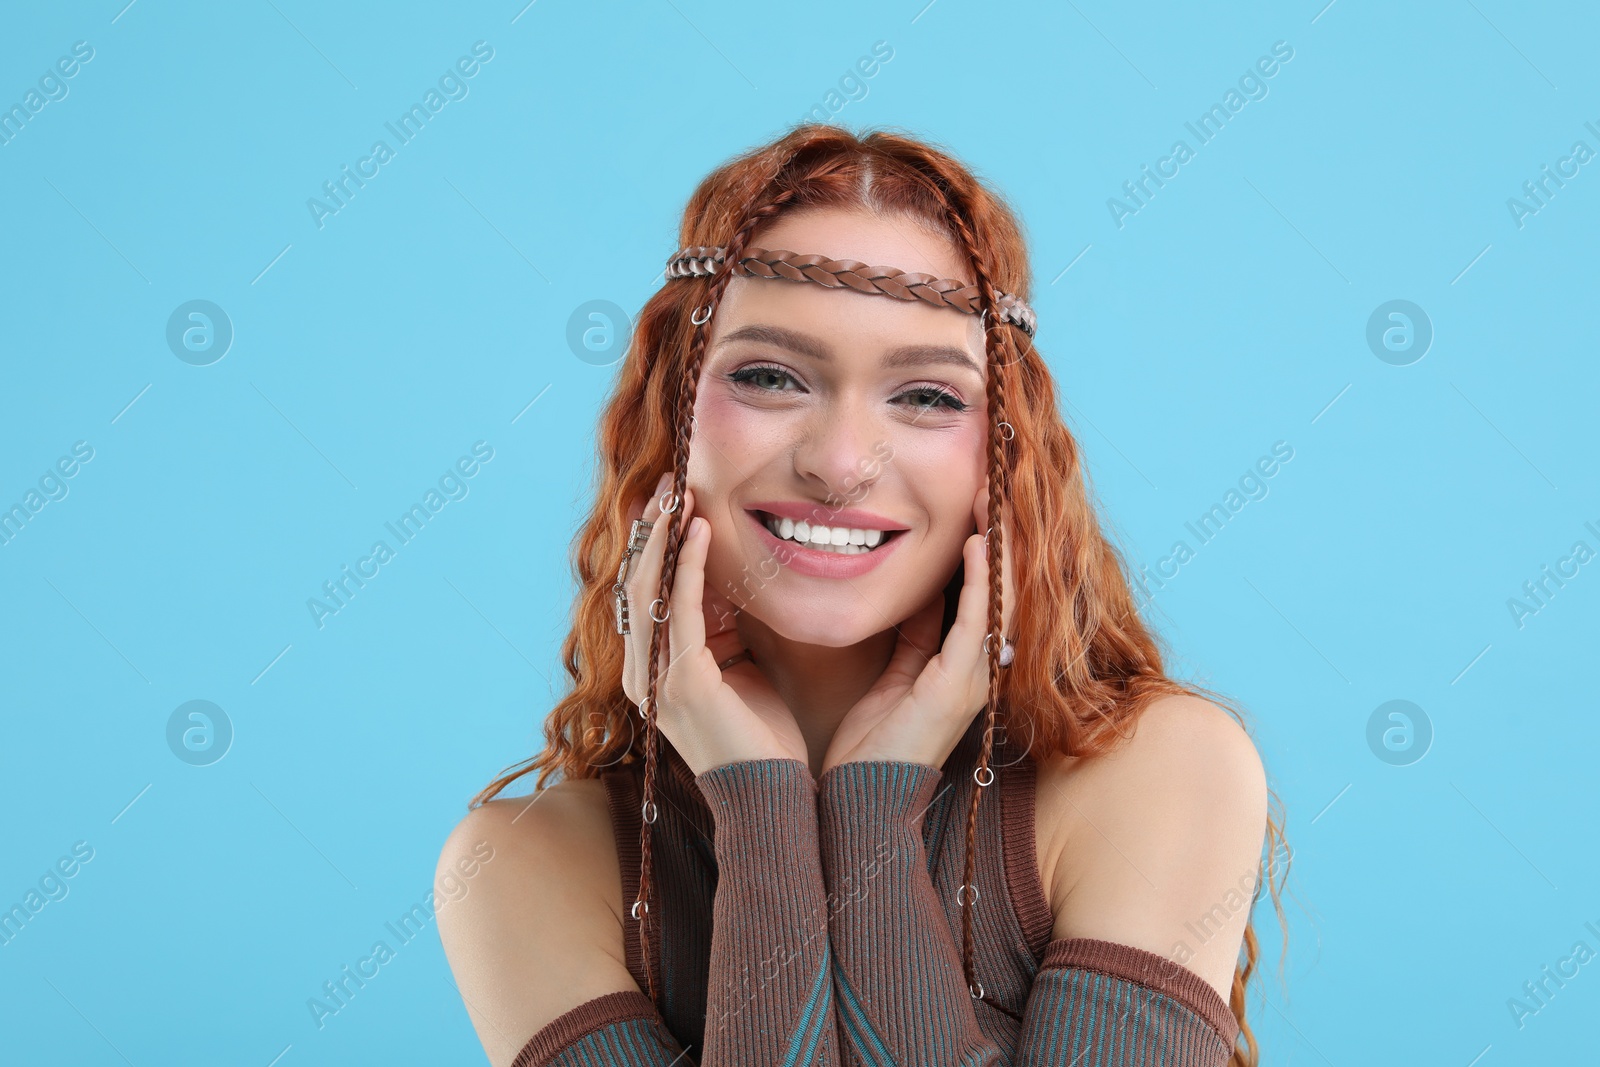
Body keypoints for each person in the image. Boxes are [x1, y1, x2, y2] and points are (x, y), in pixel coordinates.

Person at [436, 123, 1289, 1066]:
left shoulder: (1156, 772)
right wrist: (758, 805)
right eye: (768, 377)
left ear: (1007, 453)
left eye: (926, 395)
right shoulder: (521, 868)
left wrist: (874, 809)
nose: (841, 464)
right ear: (667, 418)